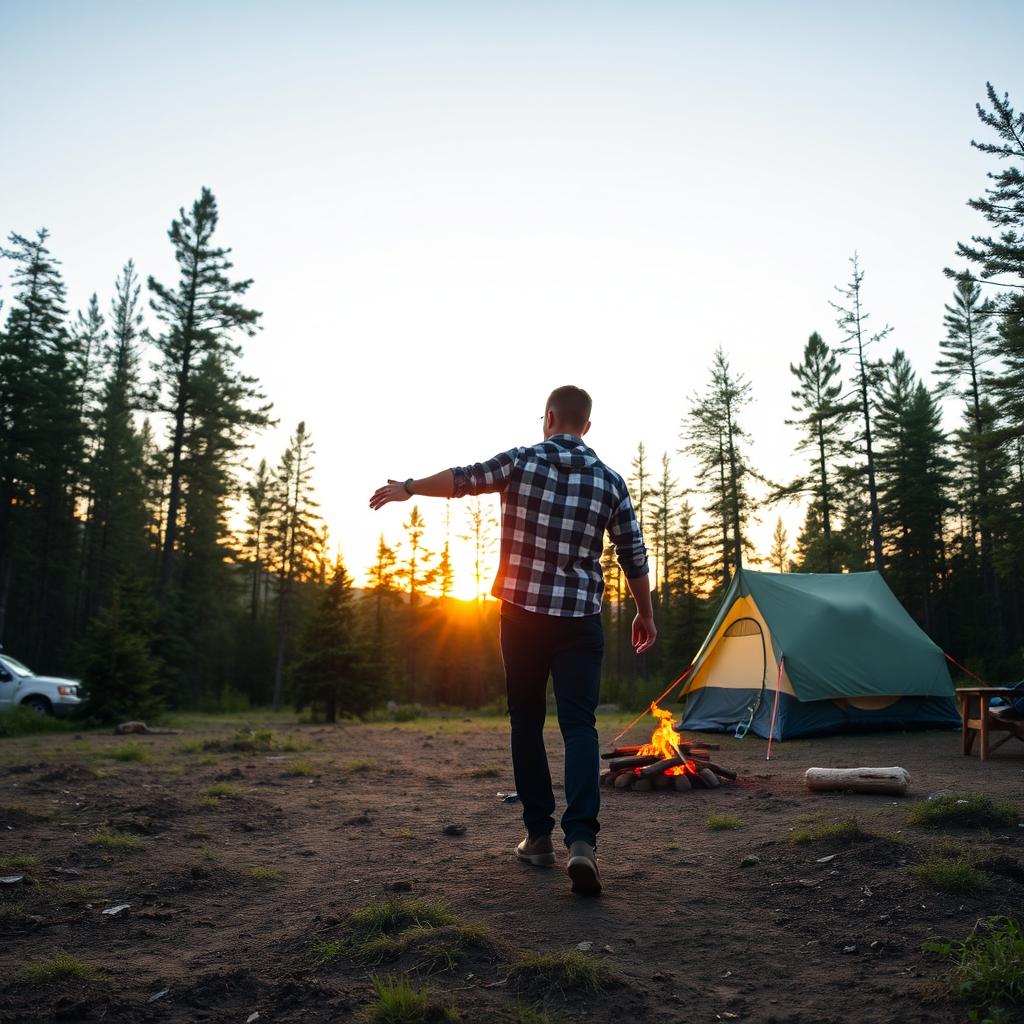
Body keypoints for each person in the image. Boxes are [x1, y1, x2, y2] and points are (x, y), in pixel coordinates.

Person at [369, 385, 655, 895]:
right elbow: (633, 553)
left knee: (526, 720)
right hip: (581, 619)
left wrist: (409, 488)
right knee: (580, 726)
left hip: (522, 616)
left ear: (548, 418)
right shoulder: (610, 481)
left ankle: (539, 838)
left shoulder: (522, 462)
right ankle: (583, 842)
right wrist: (644, 614)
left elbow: (462, 480)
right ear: (585, 427)